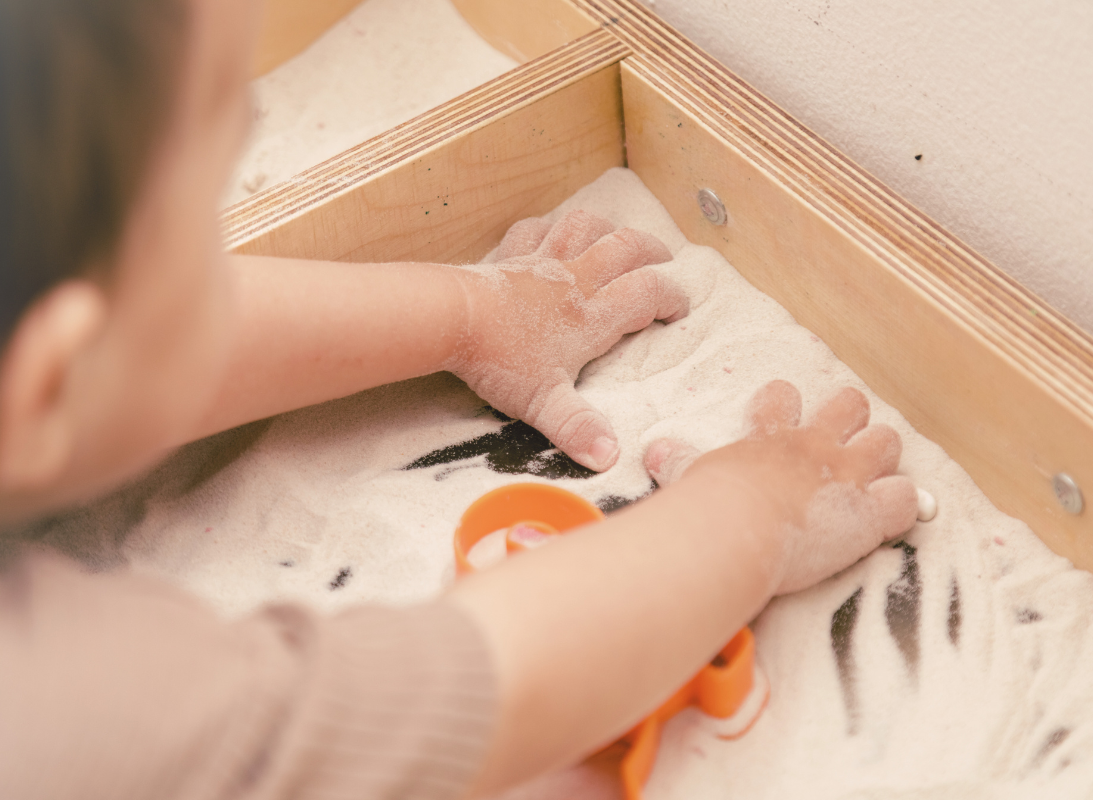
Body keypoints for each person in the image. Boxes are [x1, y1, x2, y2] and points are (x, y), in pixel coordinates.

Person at [0, 0, 918, 797]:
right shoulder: (63, 710)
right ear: (48, 384)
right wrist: (754, 516)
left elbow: (118, 350)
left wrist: (468, 314)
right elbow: (477, 693)